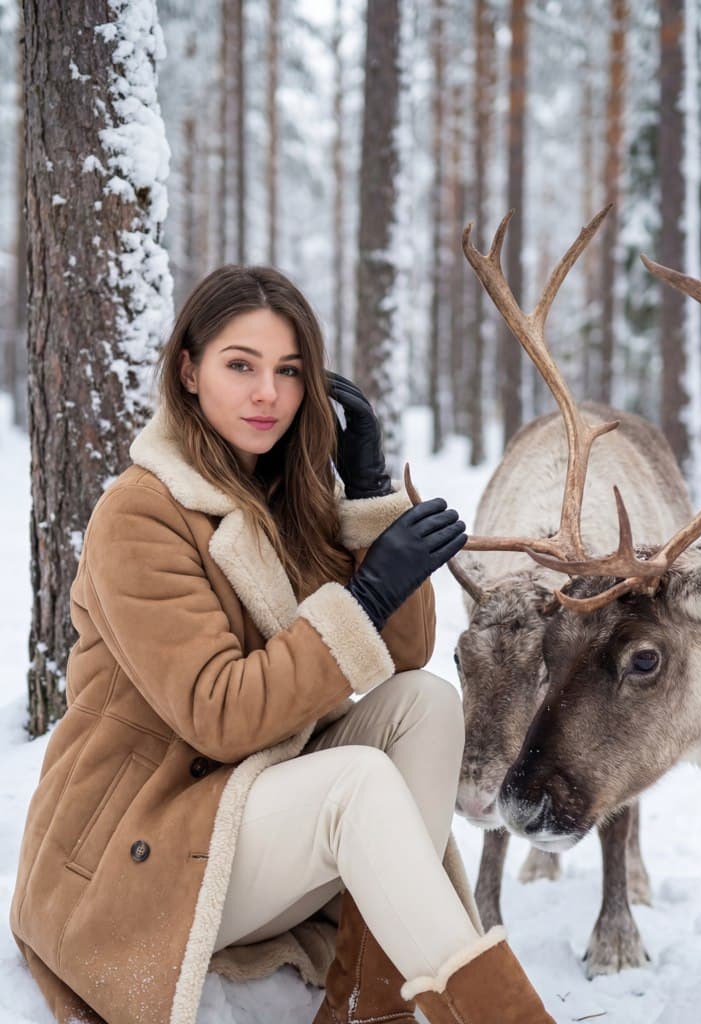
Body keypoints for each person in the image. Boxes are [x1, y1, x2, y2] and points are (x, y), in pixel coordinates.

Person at [10, 265, 554, 1024]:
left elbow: (405, 651)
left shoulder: (289, 498)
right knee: (354, 783)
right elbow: (219, 716)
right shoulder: (140, 515)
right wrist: (361, 598)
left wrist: (366, 498)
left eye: (289, 371)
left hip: (238, 823)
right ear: (190, 372)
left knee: (424, 705)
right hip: (134, 860)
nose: (267, 393)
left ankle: (371, 998)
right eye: (241, 365)